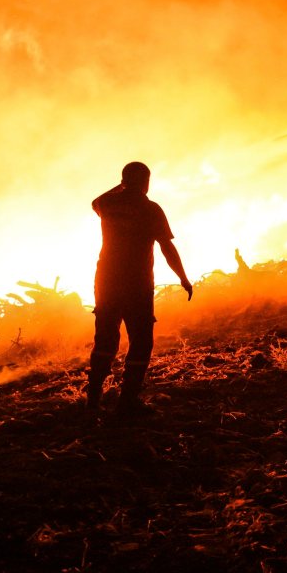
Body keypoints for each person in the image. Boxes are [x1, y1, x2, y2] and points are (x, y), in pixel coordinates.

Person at [87, 162, 193, 416]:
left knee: (105, 340)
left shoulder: (108, 204)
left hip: (106, 281)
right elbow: (167, 248)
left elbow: (95, 201)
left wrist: (123, 185)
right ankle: (128, 401)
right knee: (141, 341)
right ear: (146, 182)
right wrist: (183, 277)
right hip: (137, 283)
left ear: (123, 180)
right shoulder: (150, 209)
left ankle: (92, 399)